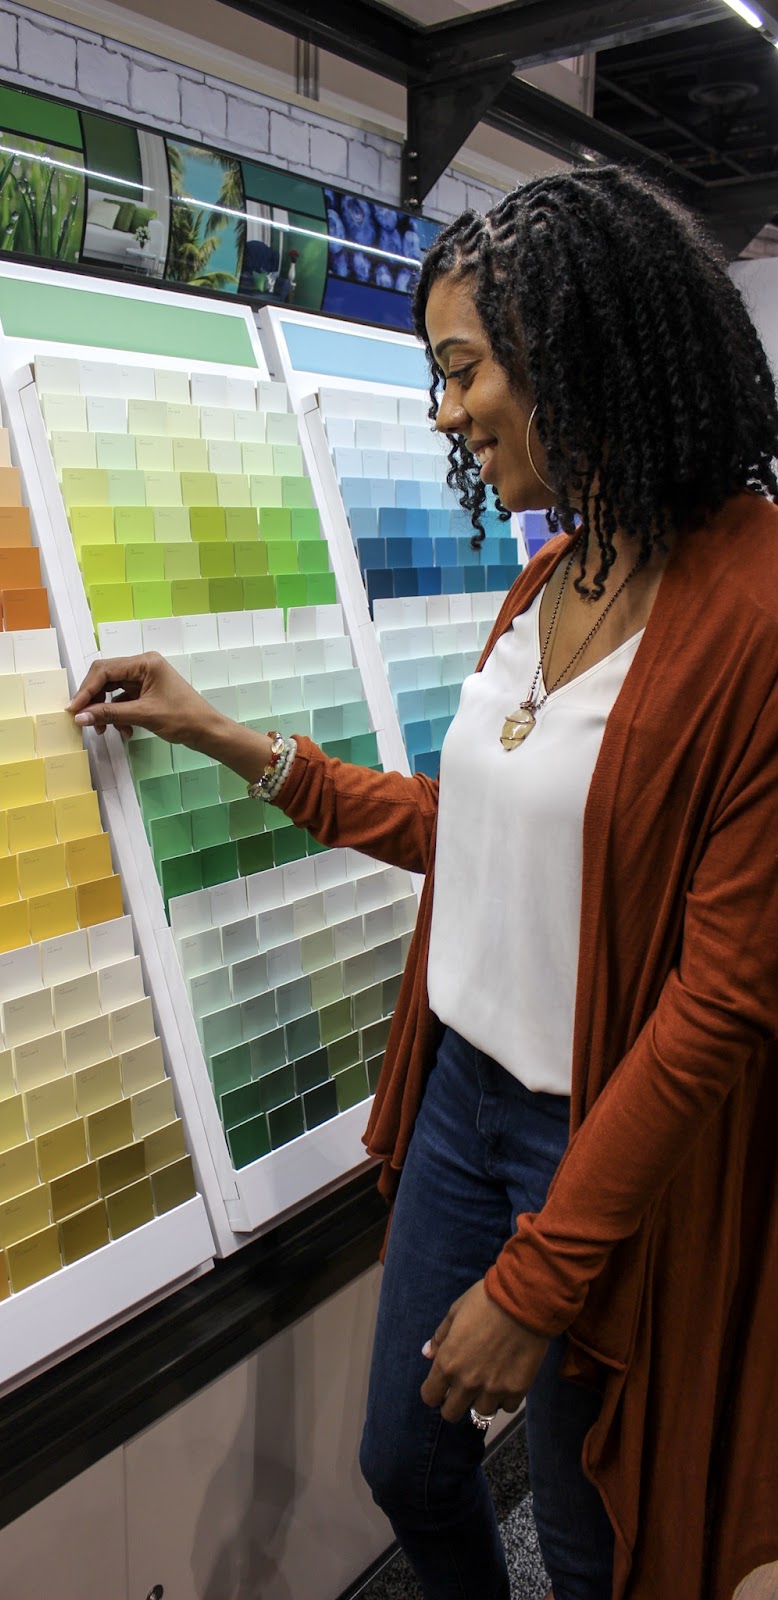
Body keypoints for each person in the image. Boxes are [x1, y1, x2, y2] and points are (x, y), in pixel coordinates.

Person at [67, 165, 778, 1600]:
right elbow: (478, 828)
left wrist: (534, 1281)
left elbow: (720, 1003)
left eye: (462, 370)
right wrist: (225, 736)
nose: (444, 412)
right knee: (403, 1460)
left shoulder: (755, 610)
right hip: (461, 1103)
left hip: (603, 1147)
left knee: (597, 1538)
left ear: (577, 353)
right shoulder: (552, 577)